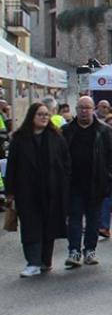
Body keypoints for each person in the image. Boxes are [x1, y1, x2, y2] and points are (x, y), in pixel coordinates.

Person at [5, 102, 70, 277]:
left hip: (52, 191)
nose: (44, 118)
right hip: (27, 191)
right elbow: (12, 166)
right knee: (30, 227)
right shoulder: (20, 139)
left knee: (49, 227)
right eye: (40, 114)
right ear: (31, 116)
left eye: (46, 115)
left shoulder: (56, 137)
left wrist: (64, 185)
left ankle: (45, 261)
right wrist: (10, 191)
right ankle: (32, 262)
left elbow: (65, 164)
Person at [62, 96, 112, 269]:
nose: (84, 111)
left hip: (96, 182)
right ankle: (74, 251)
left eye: (87, 108)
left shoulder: (104, 130)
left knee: (94, 219)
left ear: (93, 109)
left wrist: (108, 176)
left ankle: (90, 250)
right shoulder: (66, 130)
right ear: (76, 109)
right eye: (81, 108)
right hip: (73, 183)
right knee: (75, 218)